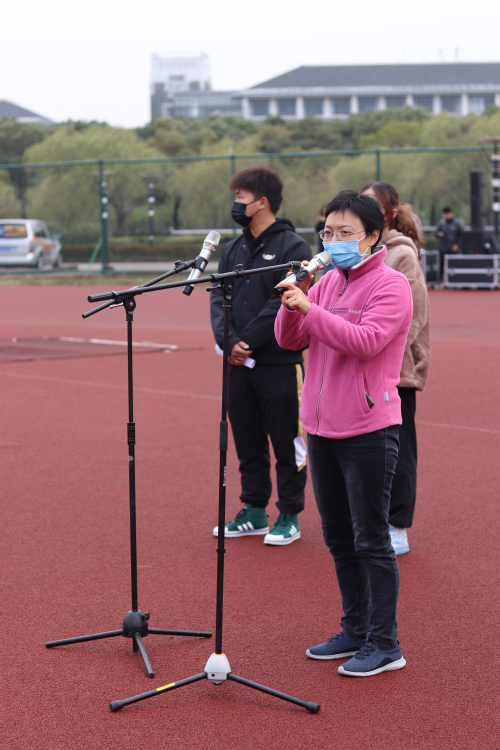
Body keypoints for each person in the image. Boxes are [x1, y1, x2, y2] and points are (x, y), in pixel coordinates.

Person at [275, 190, 412, 677]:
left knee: (371, 538)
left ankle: (385, 643)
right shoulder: (327, 281)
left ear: (372, 236)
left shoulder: (392, 285)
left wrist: (310, 310)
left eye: (345, 233)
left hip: (369, 428)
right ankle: (355, 628)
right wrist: (294, 300)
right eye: (327, 232)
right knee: (337, 537)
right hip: (321, 428)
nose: (333, 241)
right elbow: (289, 339)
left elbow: (366, 341)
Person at [210, 167, 312, 545]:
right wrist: (229, 340)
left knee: (288, 442)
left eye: (241, 197)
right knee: (248, 441)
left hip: (278, 364)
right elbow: (218, 297)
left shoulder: (294, 248)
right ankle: (254, 509)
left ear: (262, 202)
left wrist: (247, 342)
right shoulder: (232, 249)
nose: (235, 204)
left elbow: (283, 301)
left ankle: (289, 514)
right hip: (237, 365)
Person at [361, 182, 430, 555]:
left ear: (389, 213)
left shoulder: (402, 254)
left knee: (399, 448)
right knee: (366, 447)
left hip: (395, 369)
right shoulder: (357, 252)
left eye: (373, 204)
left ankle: (397, 524)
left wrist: (378, 346)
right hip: (360, 365)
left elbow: (413, 316)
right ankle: (370, 517)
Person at [435, 207, 463, 280]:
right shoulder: (441, 223)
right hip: (443, 248)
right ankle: (440, 280)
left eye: (447, 214)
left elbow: (462, 236)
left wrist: (457, 245)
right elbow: (435, 233)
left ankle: (454, 280)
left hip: (453, 249)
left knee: (454, 265)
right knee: (441, 265)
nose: (446, 216)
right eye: (445, 214)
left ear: (451, 214)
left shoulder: (457, 223)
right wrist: (439, 234)